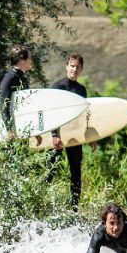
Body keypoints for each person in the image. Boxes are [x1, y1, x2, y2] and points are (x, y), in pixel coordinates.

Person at [47, 53, 89, 208]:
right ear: (66, 67)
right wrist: (54, 135)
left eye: (77, 67)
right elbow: (51, 112)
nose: (74, 69)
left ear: (81, 69)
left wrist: (90, 138)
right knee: (50, 170)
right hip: (57, 135)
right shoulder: (57, 87)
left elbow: (83, 115)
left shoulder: (82, 90)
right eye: (72, 66)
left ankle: (74, 207)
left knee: (76, 171)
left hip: (74, 135)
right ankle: (39, 201)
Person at [0, 45, 33, 140]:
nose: (31, 61)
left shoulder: (22, 78)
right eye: (29, 58)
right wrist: (9, 129)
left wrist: (35, 132)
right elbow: (3, 103)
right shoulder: (10, 77)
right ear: (22, 60)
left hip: (21, 128)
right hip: (11, 132)